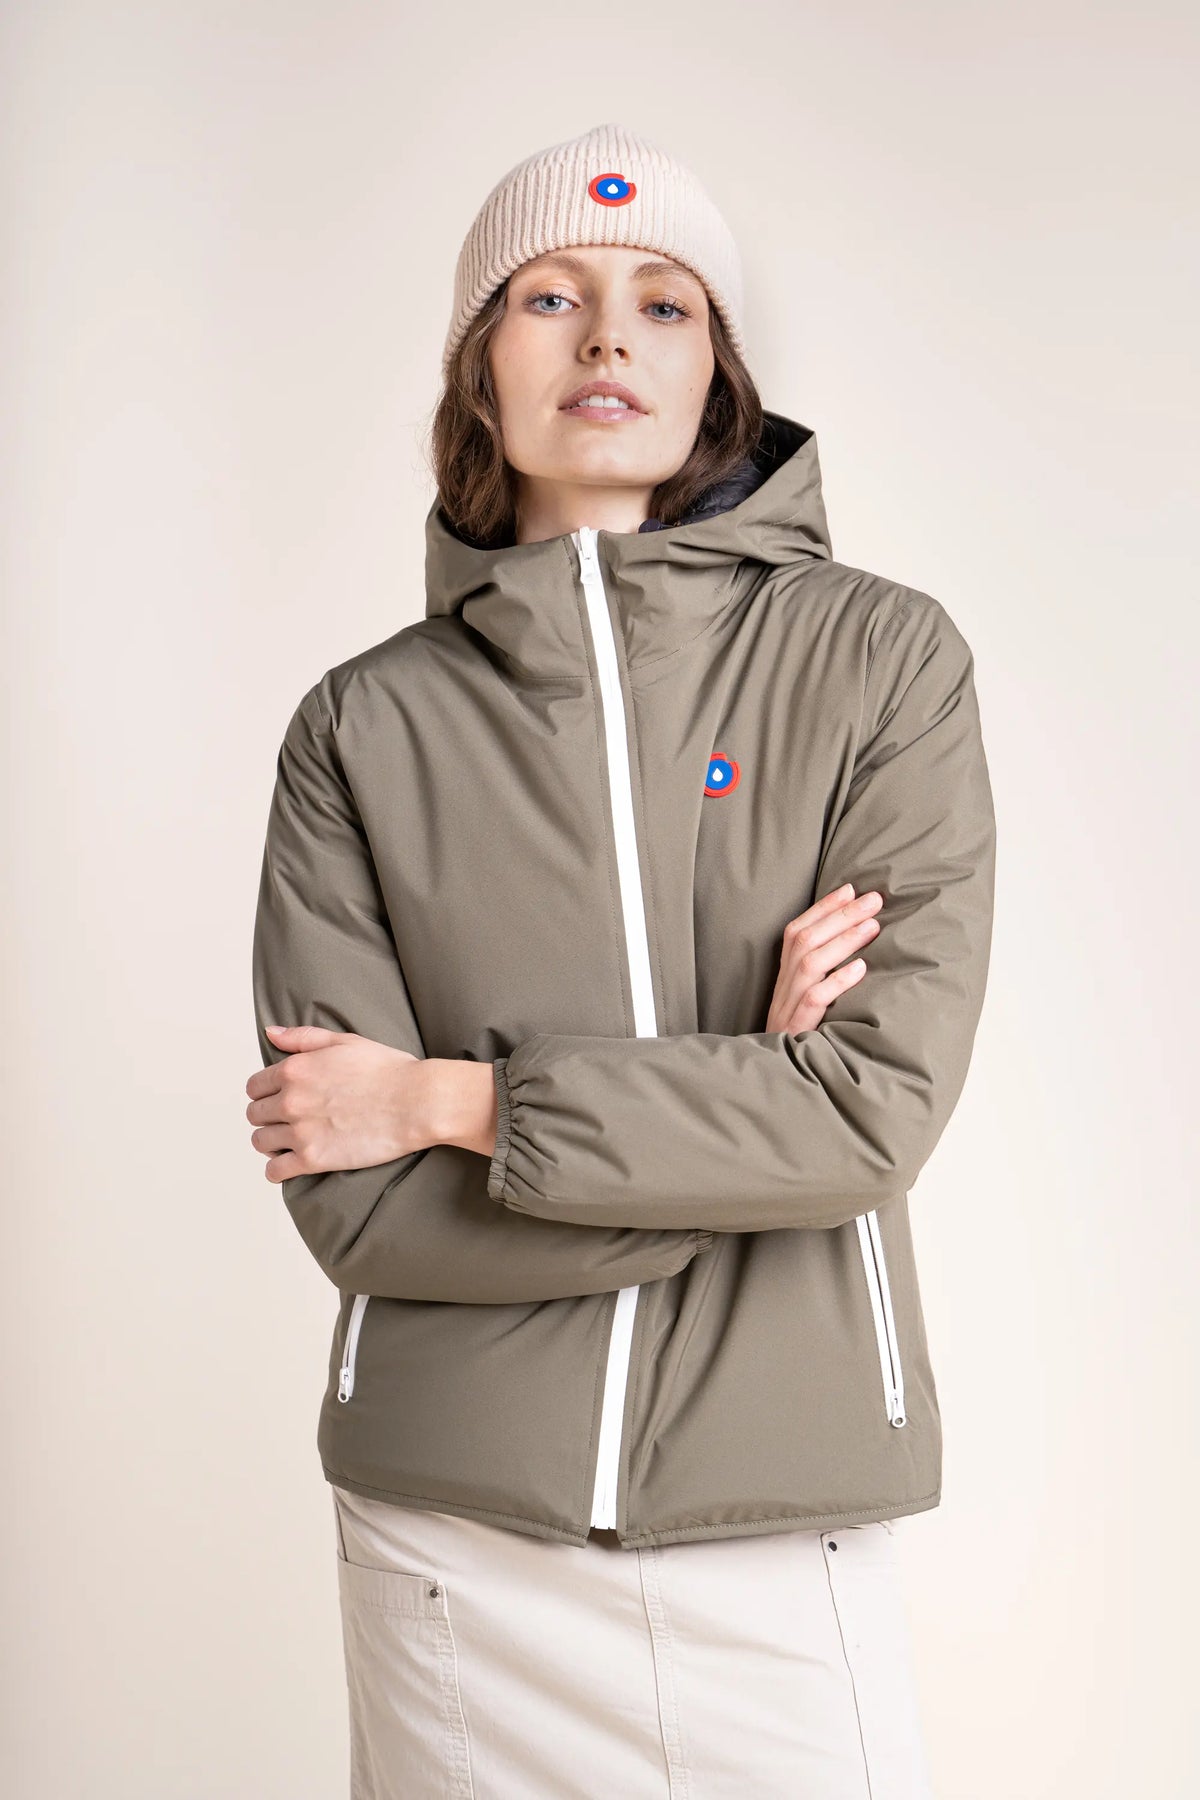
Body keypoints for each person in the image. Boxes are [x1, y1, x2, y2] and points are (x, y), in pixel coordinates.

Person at [246, 122, 996, 1799]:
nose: (607, 338)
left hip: (778, 1526)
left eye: (664, 303)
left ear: (716, 370)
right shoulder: (362, 728)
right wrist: (743, 1117)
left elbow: (866, 1119)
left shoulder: (882, 662)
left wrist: (452, 1104)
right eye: (550, 297)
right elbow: (358, 1212)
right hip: (448, 1534)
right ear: (478, 369)